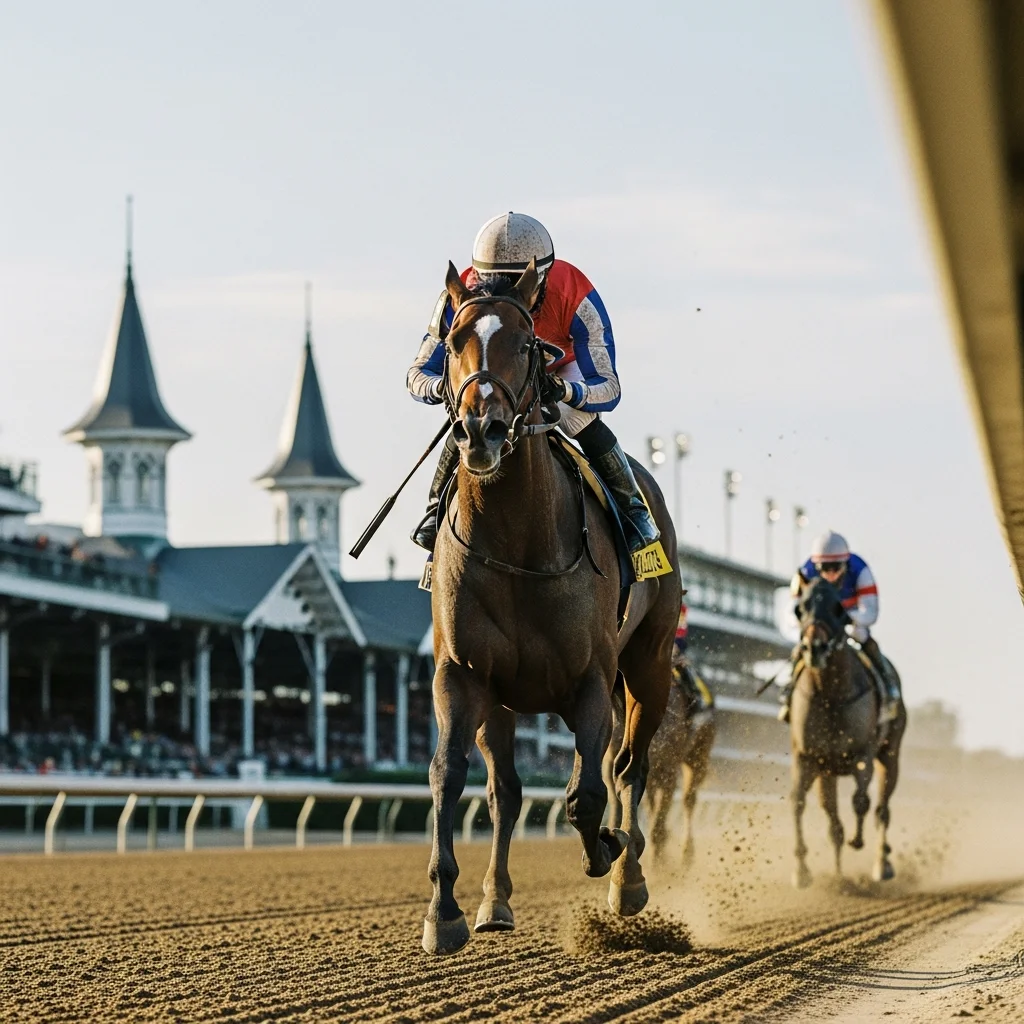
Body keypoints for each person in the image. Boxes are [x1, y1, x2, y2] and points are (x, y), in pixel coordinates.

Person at [406, 211, 660, 554]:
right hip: (498, 376)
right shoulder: (459, 297)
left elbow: (609, 387)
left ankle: (633, 509)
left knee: (575, 416)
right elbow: (418, 373)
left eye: (518, 283)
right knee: (467, 418)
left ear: (541, 276)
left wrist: (568, 391)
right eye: (493, 282)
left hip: (561, 370)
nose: (507, 294)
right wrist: (444, 389)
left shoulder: (576, 296)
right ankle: (436, 511)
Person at [778, 529, 901, 724]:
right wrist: (807, 623)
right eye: (825, 568)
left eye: (836, 567)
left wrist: (846, 617)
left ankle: (888, 687)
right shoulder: (805, 573)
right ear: (817, 566)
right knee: (805, 645)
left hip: (850, 619)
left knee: (862, 637)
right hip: (821, 623)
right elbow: (791, 611)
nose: (831, 574)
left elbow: (871, 612)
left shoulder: (860, 570)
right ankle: (788, 689)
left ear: (845, 563)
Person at [672, 595, 711, 713]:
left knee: (687, 672)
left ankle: (695, 701)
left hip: (674, 654)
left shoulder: (680, 610)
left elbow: (680, 635)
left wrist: (675, 646)